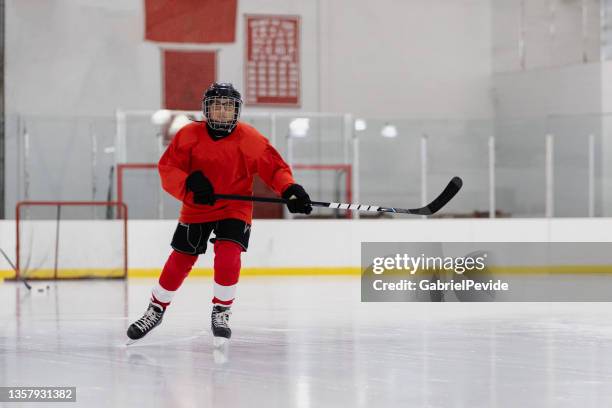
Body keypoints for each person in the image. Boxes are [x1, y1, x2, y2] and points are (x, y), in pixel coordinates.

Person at [126, 82, 312, 345]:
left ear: (236, 111)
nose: (222, 111)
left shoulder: (250, 139)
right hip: (197, 206)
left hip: (234, 208)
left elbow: (275, 168)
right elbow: (168, 168)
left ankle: (221, 310)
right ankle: (155, 310)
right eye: (217, 106)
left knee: (228, 255)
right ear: (206, 109)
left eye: (228, 106)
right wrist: (189, 183)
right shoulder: (188, 135)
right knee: (181, 258)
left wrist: (291, 189)